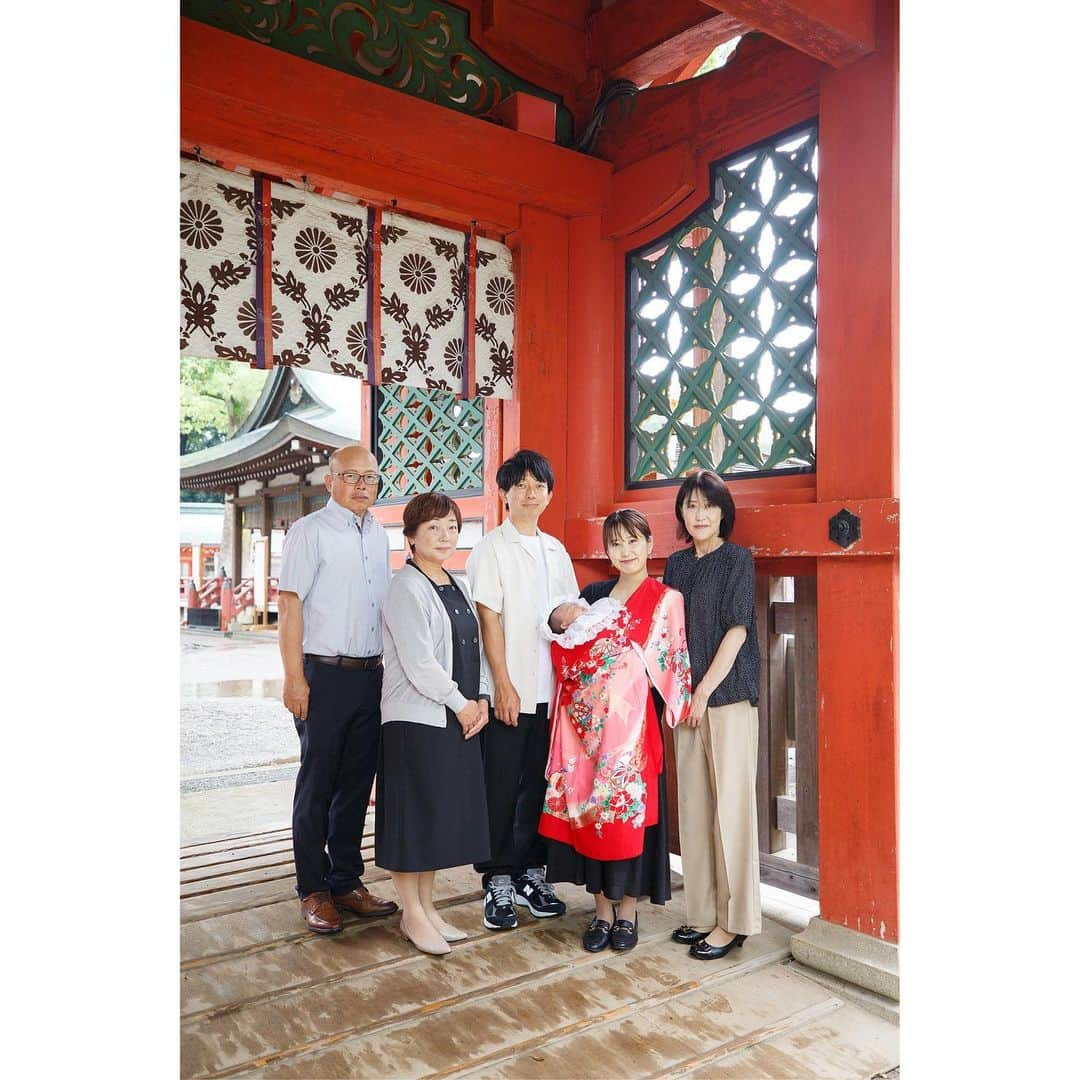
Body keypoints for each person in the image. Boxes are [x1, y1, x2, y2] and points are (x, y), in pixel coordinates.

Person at [539, 509, 691, 952]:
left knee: (625, 816)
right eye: (616, 544)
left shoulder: (665, 599)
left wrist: (680, 702)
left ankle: (627, 911)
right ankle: (601, 911)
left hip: (631, 730)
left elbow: (674, 660)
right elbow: (567, 646)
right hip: (585, 731)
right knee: (589, 814)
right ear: (607, 551)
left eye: (633, 542)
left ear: (649, 545)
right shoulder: (594, 595)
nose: (625, 551)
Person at [277, 444, 399, 934]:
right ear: (331, 481)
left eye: (370, 477)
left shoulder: (377, 533)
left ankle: (346, 880)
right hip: (322, 674)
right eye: (351, 476)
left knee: (355, 785)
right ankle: (313, 888)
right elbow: (290, 608)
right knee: (318, 785)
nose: (363, 485)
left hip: (371, 674)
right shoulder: (309, 532)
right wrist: (294, 677)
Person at [465, 449, 579, 930]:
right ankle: (497, 879)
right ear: (505, 492)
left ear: (549, 494)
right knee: (501, 785)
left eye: (539, 485)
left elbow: (569, 616)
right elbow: (488, 619)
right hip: (511, 689)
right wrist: (503, 686)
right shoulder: (490, 548)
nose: (531, 493)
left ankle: (533, 873)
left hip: (551, 690)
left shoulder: (556, 549)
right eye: (522, 485)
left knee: (539, 782)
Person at [376, 492, 491, 956]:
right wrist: (462, 704)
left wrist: (481, 697)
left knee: (435, 817)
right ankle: (411, 913)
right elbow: (420, 662)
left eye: (451, 527)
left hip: (455, 714)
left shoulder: (455, 582)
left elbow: (474, 646)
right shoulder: (406, 587)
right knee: (413, 817)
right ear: (410, 536)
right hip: (416, 719)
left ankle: (427, 906)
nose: (444, 536)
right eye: (433, 528)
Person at [663, 469, 763, 960]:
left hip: (727, 697)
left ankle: (735, 920)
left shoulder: (737, 560)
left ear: (723, 512)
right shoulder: (677, 566)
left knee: (731, 809)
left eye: (707, 505)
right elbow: (668, 635)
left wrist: (702, 691)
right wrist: (677, 692)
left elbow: (737, 630)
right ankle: (701, 913)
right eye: (690, 505)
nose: (698, 514)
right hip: (685, 701)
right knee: (696, 807)